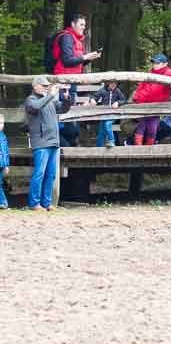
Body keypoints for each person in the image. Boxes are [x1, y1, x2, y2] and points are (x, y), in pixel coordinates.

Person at [51, 13, 101, 147]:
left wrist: (88, 58)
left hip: (71, 81)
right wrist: (85, 57)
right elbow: (67, 61)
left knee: (68, 112)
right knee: (64, 113)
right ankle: (63, 144)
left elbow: (75, 63)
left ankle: (68, 143)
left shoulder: (77, 39)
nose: (83, 27)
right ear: (73, 24)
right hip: (63, 81)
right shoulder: (67, 37)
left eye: (85, 25)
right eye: (81, 24)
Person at [25, 76, 71, 211]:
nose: (46, 88)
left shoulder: (50, 99)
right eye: (43, 85)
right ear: (35, 86)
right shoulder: (31, 100)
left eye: (47, 86)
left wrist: (67, 99)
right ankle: (34, 203)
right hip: (40, 142)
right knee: (39, 173)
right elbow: (35, 108)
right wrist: (50, 95)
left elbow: (63, 109)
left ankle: (46, 203)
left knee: (51, 174)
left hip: (53, 141)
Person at [131, 54, 171, 146]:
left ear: (165, 64)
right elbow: (142, 86)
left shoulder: (167, 72)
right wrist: (137, 97)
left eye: (157, 63)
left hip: (156, 106)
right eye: (153, 62)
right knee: (142, 126)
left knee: (152, 128)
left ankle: (149, 147)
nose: (155, 64)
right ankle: (138, 147)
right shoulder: (150, 73)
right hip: (142, 104)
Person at [90, 80, 125, 147]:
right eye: (112, 83)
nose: (113, 84)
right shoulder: (103, 90)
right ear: (108, 83)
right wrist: (92, 99)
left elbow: (123, 100)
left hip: (113, 114)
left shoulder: (117, 91)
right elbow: (95, 96)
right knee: (101, 132)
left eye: (115, 83)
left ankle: (111, 141)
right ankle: (99, 147)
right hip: (104, 114)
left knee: (107, 124)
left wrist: (118, 102)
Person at [0, 115, 10, 209]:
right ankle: (3, 203)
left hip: (2, 165)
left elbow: (6, 152)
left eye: (2, 123)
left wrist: (6, 165)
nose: (1, 125)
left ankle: (3, 203)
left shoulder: (3, 136)